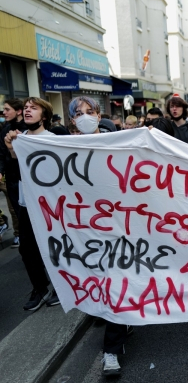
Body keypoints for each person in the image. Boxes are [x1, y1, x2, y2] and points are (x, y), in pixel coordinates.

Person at [66, 96, 133, 376]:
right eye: (78, 113)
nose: (84, 116)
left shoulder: (117, 142)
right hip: (84, 231)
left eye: (89, 112)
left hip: (119, 226)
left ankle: (111, 351)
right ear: (71, 120)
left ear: (98, 114)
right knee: (99, 282)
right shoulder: (61, 147)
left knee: (116, 283)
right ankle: (119, 316)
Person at [4, 98, 60, 309]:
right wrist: (11, 150)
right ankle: (40, 287)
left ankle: (61, 285)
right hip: (27, 204)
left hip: (50, 205)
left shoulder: (52, 139)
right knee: (27, 249)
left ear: (44, 116)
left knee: (55, 247)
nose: (27, 110)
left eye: (33, 108)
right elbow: (19, 174)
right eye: (26, 108)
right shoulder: (19, 139)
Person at [0, 98, 25, 247]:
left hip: (26, 177)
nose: (4, 112)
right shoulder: (4, 130)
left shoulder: (28, 128)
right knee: (16, 208)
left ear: (18, 111)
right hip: (11, 177)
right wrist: (1, 170)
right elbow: (1, 153)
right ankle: (22, 235)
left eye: (7, 109)